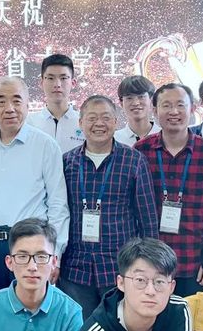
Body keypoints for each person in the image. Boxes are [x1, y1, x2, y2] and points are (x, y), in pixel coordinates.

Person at [0, 76, 69, 296]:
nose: (9, 108)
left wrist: (55, 253)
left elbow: (58, 204)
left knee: (30, 308)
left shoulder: (45, 145)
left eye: (16, 100)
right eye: (1, 101)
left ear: (28, 105)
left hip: (30, 244)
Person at [61, 95, 158, 318]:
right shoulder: (67, 162)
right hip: (75, 270)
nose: (99, 124)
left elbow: (148, 220)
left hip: (119, 267)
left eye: (106, 118)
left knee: (121, 329)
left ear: (116, 122)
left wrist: (149, 264)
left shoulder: (134, 160)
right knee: (80, 330)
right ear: (80, 123)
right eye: (92, 118)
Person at [134, 83, 203, 297]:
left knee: (194, 318)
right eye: (166, 105)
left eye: (180, 105)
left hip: (195, 265)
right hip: (150, 264)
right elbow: (132, 211)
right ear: (155, 110)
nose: (174, 111)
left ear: (192, 108)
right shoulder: (140, 152)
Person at [27, 54, 85, 152]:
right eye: (50, 78)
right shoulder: (29, 123)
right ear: (41, 83)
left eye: (63, 78)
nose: (57, 84)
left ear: (73, 83)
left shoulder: (84, 123)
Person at [113, 75, 161, 146]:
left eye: (141, 97)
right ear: (121, 103)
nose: (136, 103)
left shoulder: (166, 136)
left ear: (151, 100)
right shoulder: (114, 140)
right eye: (129, 98)